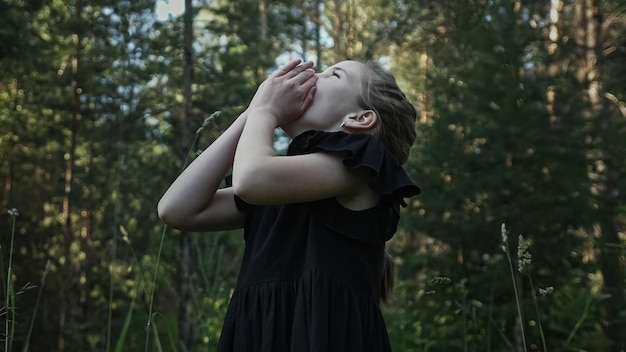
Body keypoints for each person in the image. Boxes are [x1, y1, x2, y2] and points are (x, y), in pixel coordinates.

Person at [157, 59, 420, 351]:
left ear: (360, 119)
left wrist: (266, 111)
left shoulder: (362, 163)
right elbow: (177, 208)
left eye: (333, 74)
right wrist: (252, 112)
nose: (311, 76)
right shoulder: (276, 184)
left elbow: (250, 179)